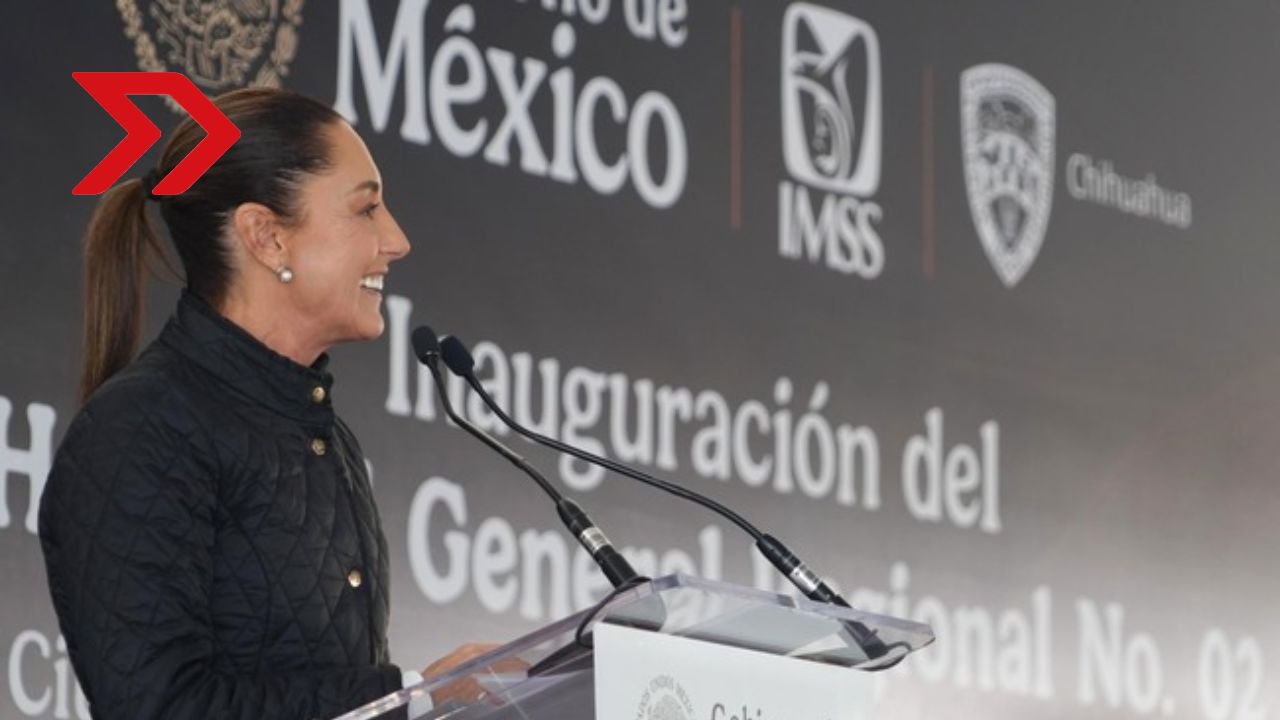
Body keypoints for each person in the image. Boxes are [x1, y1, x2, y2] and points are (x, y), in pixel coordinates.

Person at [38, 87, 486, 720]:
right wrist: (411, 695)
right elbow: (160, 707)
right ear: (267, 237)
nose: (396, 240)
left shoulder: (323, 435)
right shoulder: (143, 426)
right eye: (366, 209)